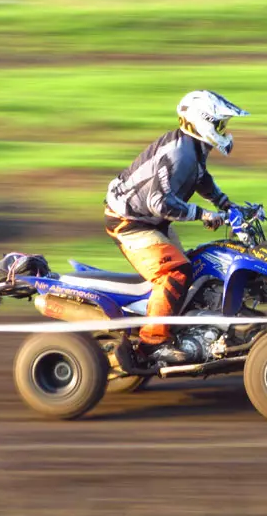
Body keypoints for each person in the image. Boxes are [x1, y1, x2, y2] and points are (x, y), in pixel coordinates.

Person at [104, 90, 249, 364]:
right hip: (130, 223)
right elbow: (159, 203)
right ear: (203, 121)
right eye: (220, 124)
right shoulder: (180, 153)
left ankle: (183, 328)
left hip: (149, 220)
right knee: (175, 273)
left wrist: (227, 205)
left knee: (197, 267)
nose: (224, 131)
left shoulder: (193, 147)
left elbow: (201, 179)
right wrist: (202, 214)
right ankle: (152, 344)